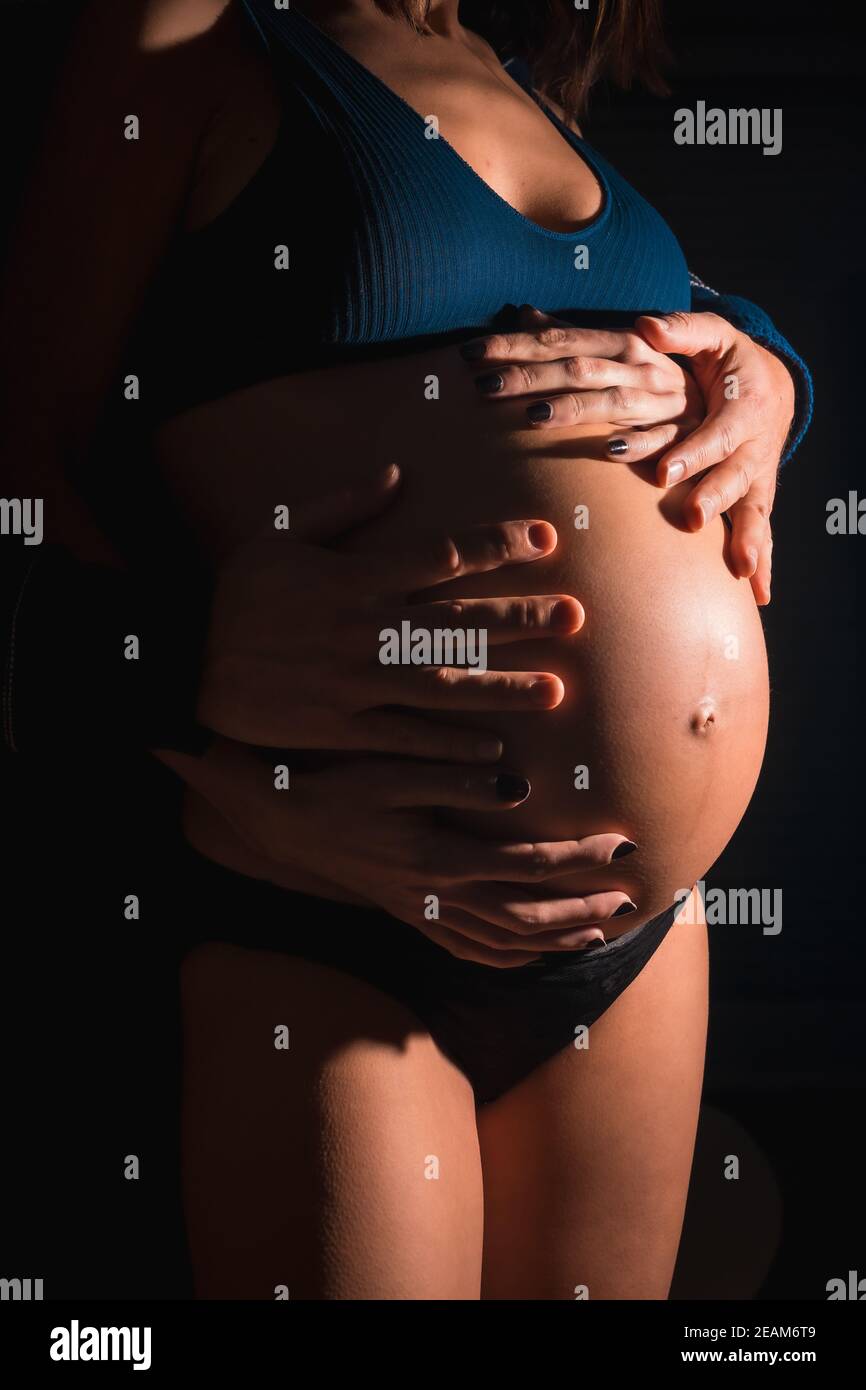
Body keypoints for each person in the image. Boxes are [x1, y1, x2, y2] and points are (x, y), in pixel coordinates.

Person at [0, 0, 812, 1299]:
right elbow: (17, 467)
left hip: (632, 927)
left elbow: (620, 315)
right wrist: (171, 662)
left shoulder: (509, 73)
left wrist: (767, 377)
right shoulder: (191, 30)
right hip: (331, 894)